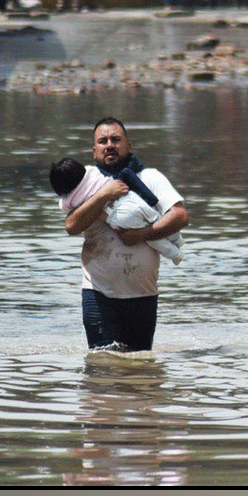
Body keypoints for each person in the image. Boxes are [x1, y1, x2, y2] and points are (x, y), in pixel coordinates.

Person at [62, 117, 189, 352]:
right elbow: (71, 225)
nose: (109, 145)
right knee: (101, 368)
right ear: (94, 151)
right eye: (103, 141)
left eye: (116, 140)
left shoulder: (150, 178)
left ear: (129, 147)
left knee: (140, 372)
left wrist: (142, 234)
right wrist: (103, 195)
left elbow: (180, 216)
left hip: (143, 295)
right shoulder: (84, 184)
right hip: (99, 294)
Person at [51, 157, 184, 265]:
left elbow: (65, 209)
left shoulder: (71, 200)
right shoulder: (93, 172)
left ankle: (175, 255)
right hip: (130, 198)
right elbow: (71, 226)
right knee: (156, 220)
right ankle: (178, 240)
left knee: (151, 238)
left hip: (118, 214)